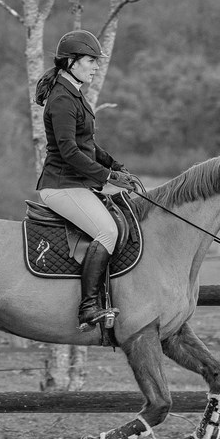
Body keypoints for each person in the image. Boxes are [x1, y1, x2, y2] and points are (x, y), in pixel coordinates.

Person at [34, 29, 135, 331]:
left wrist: (115, 165)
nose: (95, 66)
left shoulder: (74, 94)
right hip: (60, 186)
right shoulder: (63, 99)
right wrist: (107, 177)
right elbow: (68, 151)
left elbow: (86, 144)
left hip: (75, 184)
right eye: (91, 61)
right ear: (71, 61)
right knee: (106, 232)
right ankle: (88, 307)